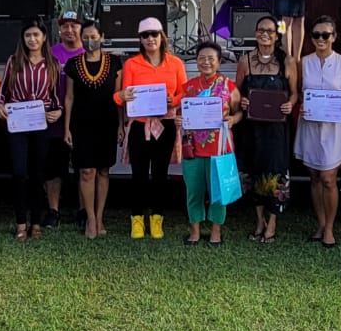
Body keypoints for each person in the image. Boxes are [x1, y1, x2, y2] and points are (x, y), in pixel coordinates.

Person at [115, 17, 188, 239]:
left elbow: (184, 93)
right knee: (138, 175)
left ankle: (157, 219)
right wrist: (122, 96)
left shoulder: (175, 63)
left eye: (154, 34)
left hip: (164, 124)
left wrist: (172, 101)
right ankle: (137, 220)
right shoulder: (131, 64)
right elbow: (121, 97)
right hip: (139, 125)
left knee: (159, 174)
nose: (150, 39)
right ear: (140, 39)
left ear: (162, 36)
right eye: (145, 35)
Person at [0, 20, 63, 241]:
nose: (32, 39)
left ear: (44, 37)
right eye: (28, 36)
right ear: (23, 39)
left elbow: (56, 97)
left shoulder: (53, 63)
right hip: (17, 125)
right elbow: (2, 92)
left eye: (36, 35)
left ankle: (36, 222)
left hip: (41, 125)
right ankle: (20, 222)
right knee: (19, 173)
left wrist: (58, 111)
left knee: (37, 174)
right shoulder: (14, 62)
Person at [294, 15, 341, 249]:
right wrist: (302, 102)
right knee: (314, 177)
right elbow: (299, 92)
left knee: (329, 178)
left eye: (326, 35)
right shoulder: (304, 62)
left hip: (333, 127)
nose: (321, 39)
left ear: (334, 37)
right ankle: (320, 223)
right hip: (310, 125)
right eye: (316, 35)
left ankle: (330, 227)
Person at [236, 15, 299, 244]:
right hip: (251, 129)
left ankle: (272, 223)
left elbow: (294, 92)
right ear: (255, 33)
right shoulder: (245, 61)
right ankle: (259, 220)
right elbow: (237, 93)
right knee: (253, 171)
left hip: (276, 130)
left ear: (277, 35)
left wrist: (290, 103)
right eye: (261, 30)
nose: (265, 34)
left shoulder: (288, 62)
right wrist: (241, 101)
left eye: (270, 31)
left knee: (275, 173)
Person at [177, 42, 241, 246]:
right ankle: (194, 231)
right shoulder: (188, 87)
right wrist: (178, 120)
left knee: (218, 192)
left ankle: (216, 231)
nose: (206, 62)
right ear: (196, 61)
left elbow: (238, 111)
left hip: (219, 148)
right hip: (193, 148)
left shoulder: (229, 87)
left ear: (219, 62)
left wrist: (233, 119)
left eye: (211, 59)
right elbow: (179, 113)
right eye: (202, 58)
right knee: (193, 191)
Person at [63, 20, 122, 239]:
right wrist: (66, 127)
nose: (89, 41)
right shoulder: (72, 63)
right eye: (85, 37)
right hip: (81, 123)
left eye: (94, 37)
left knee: (104, 171)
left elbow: (119, 97)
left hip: (107, 122)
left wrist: (121, 125)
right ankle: (89, 218)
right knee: (86, 171)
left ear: (102, 37)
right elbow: (69, 97)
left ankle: (99, 217)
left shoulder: (115, 62)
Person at [44, 10, 84, 228]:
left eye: (74, 25)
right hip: (55, 120)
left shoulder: (88, 53)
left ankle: (83, 209)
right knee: (53, 168)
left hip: (80, 120)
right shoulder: (50, 54)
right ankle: (53, 210)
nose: (69, 30)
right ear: (59, 29)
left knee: (82, 167)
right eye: (65, 26)